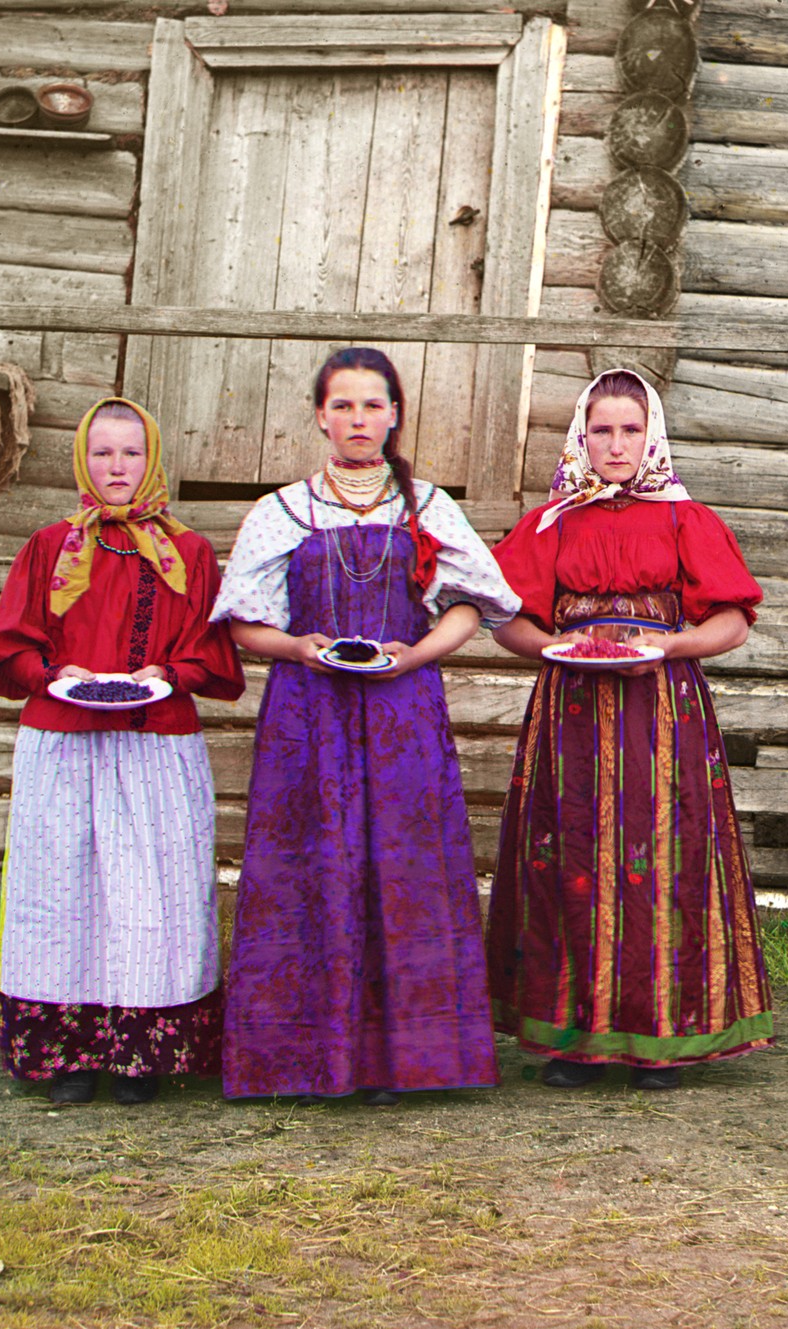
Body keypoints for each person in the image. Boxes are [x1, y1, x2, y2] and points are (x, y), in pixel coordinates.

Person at [211, 347, 521, 1105]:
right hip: (307, 714)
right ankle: (303, 1057)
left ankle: (402, 1061)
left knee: (404, 867)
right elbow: (245, 624)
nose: (358, 419)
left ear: (395, 414)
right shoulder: (280, 511)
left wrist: (415, 655)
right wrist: (298, 647)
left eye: (372, 405)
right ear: (320, 415)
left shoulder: (428, 508)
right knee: (311, 864)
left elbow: (471, 604)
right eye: (343, 405)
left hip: (402, 713)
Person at [487, 368, 773, 1091]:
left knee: (661, 858)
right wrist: (553, 647)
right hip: (573, 711)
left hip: (660, 712)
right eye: (603, 430)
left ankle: (659, 1035)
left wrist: (669, 646)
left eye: (630, 429)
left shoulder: (685, 519)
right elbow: (506, 618)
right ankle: (570, 1037)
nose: (616, 445)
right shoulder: (553, 522)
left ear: (653, 436)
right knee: (570, 854)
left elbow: (733, 620)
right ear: (581, 435)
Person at [0, 397, 244, 1105]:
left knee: (150, 894)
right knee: (62, 893)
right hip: (63, 747)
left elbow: (210, 653)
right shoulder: (48, 545)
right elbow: (11, 645)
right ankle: (68, 1053)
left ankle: (140, 1052)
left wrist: (170, 673)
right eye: (103, 453)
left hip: (154, 747)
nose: (117, 466)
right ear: (83, 461)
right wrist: (52, 673)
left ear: (151, 457)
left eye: (130, 452)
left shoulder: (187, 552)